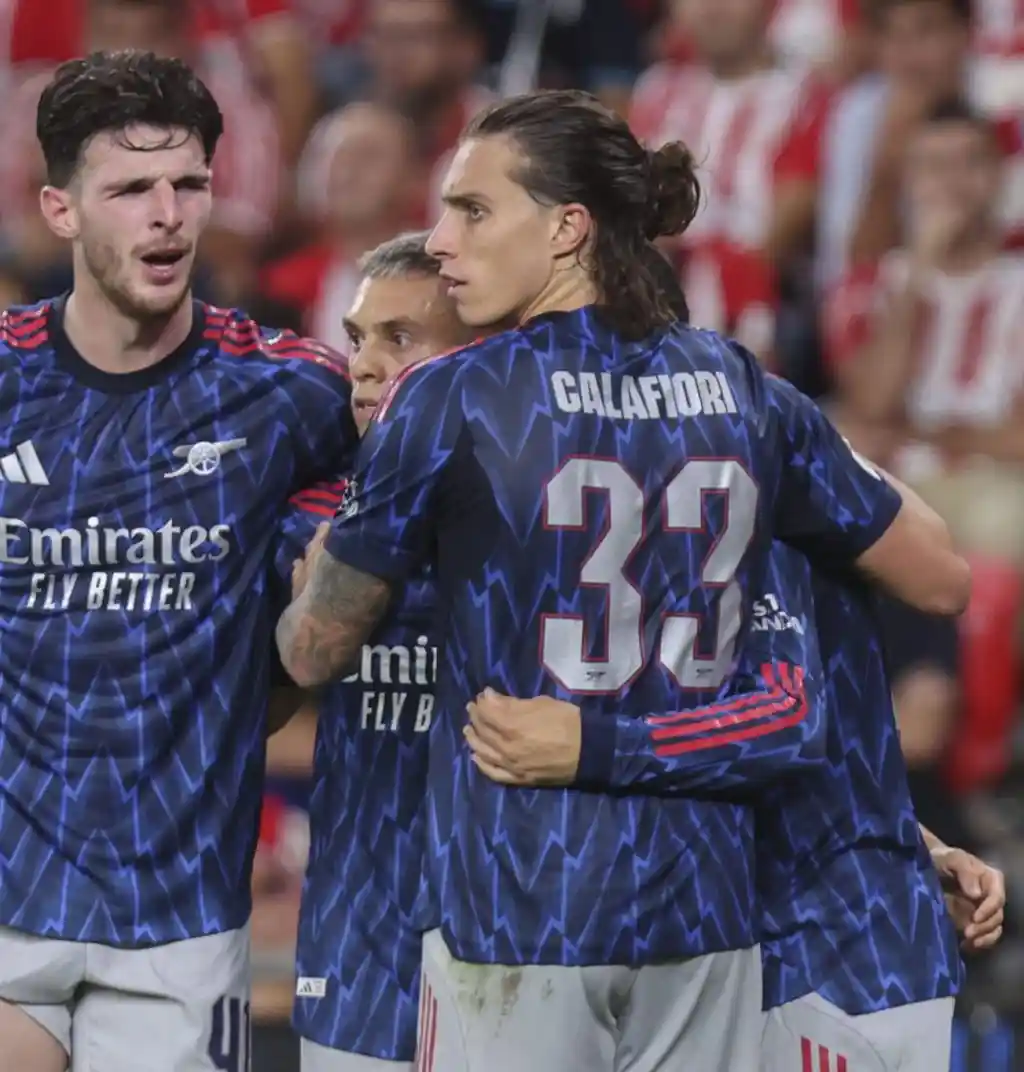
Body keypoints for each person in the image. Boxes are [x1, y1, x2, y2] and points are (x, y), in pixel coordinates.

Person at [276, 90, 969, 1072]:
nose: (440, 240)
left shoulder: (452, 395)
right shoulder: (741, 388)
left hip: (519, 900)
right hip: (704, 909)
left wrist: (314, 586)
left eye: (472, 210)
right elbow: (935, 574)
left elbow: (313, 649)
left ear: (568, 229)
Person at [0, 50, 356, 1072]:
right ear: (61, 210)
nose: (167, 216)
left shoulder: (297, 397)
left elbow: (359, 582)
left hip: (179, 923)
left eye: (188, 184)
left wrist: (273, 679)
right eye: (129, 190)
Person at [464, 546, 1005, 1072]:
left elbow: (801, 726)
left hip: (828, 958)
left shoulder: (794, 522)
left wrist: (910, 849)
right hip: (672, 944)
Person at [280, 231, 474, 1072]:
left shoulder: (543, 512)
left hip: (503, 928)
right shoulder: (306, 515)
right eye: (358, 337)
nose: (363, 365)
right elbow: (255, 706)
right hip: (356, 940)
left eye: (400, 338)